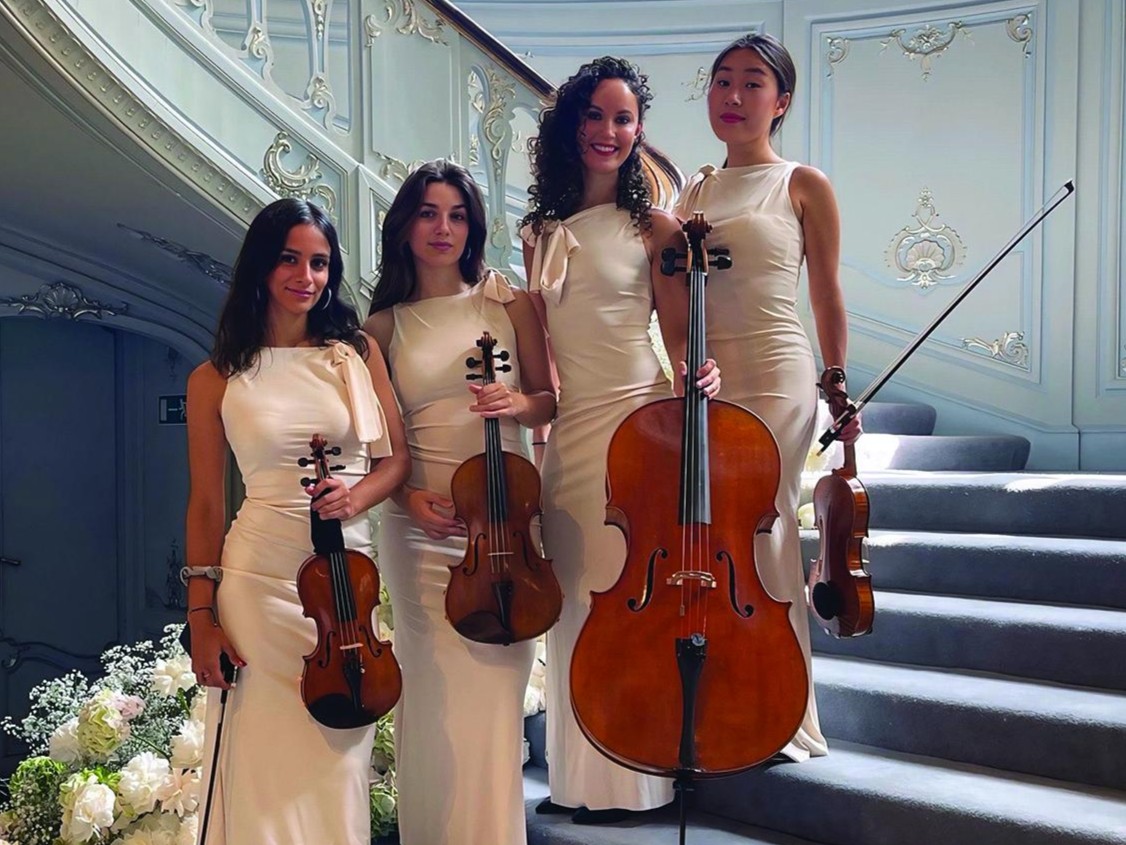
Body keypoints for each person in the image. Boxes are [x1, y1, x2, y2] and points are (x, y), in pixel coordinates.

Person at [519, 56, 719, 824]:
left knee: (628, 599)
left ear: (639, 131)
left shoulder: (656, 227)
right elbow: (542, 353)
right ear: (571, 125)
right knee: (575, 597)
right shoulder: (538, 232)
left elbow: (681, 336)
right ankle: (577, 779)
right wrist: (539, 442)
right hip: (571, 433)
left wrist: (700, 373)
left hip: (637, 422)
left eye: (623, 118)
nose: (608, 131)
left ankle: (636, 781)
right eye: (595, 115)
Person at [184, 197, 410, 845]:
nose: (306, 276)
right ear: (261, 264)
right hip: (257, 584)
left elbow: (396, 461)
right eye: (289, 259)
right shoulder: (215, 378)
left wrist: (356, 497)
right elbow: (206, 504)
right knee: (262, 765)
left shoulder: (356, 353)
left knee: (338, 763)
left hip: (343, 596)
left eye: (319, 262)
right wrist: (201, 617)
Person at [674, 32, 862, 763]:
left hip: (778, 371)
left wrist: (836, 381)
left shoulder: (802, 183)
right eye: (722, 80)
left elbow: (826, 293)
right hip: (709, 376)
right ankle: (718, 698)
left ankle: (782, 711)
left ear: (781, 101)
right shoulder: (691, 192)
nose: (733, 95)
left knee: (765, 526)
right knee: (713, 536)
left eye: (752, 82)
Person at [364, 159, 556, 845]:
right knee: (434, 701)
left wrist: (517, 402)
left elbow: (549, 400)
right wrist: (407, 496)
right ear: (404, 226)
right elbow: (379, 443)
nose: (442, 228)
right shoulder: (382, 328)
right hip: (422, 533)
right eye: (427, 213)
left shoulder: (508, 302)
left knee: (494, 702)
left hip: (506, 532)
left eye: (456, 215)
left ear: (473, 227)